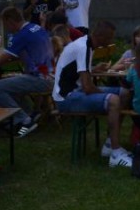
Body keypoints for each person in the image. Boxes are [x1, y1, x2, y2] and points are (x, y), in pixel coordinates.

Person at [52, 20, 132, 167]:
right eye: (109, 38)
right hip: (66, 98)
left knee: (125, 93)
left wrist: (93, 69)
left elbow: (78, 72)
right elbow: (88, 87)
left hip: (77, 90)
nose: (111, 41)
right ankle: (115, 154)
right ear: (100, 37)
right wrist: (103, 94)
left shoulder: (87, 44)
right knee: (114, 100)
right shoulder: (83, 47)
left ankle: (109, 144)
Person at [0, 6, 54, 138]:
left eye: (5, 24)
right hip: (50, 75)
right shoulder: (35, 28)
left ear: (10, 21)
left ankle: (23, 121)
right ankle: (29, 113)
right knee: (7, 85)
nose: (6, 28)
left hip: (40, 79)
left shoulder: (21, 35)